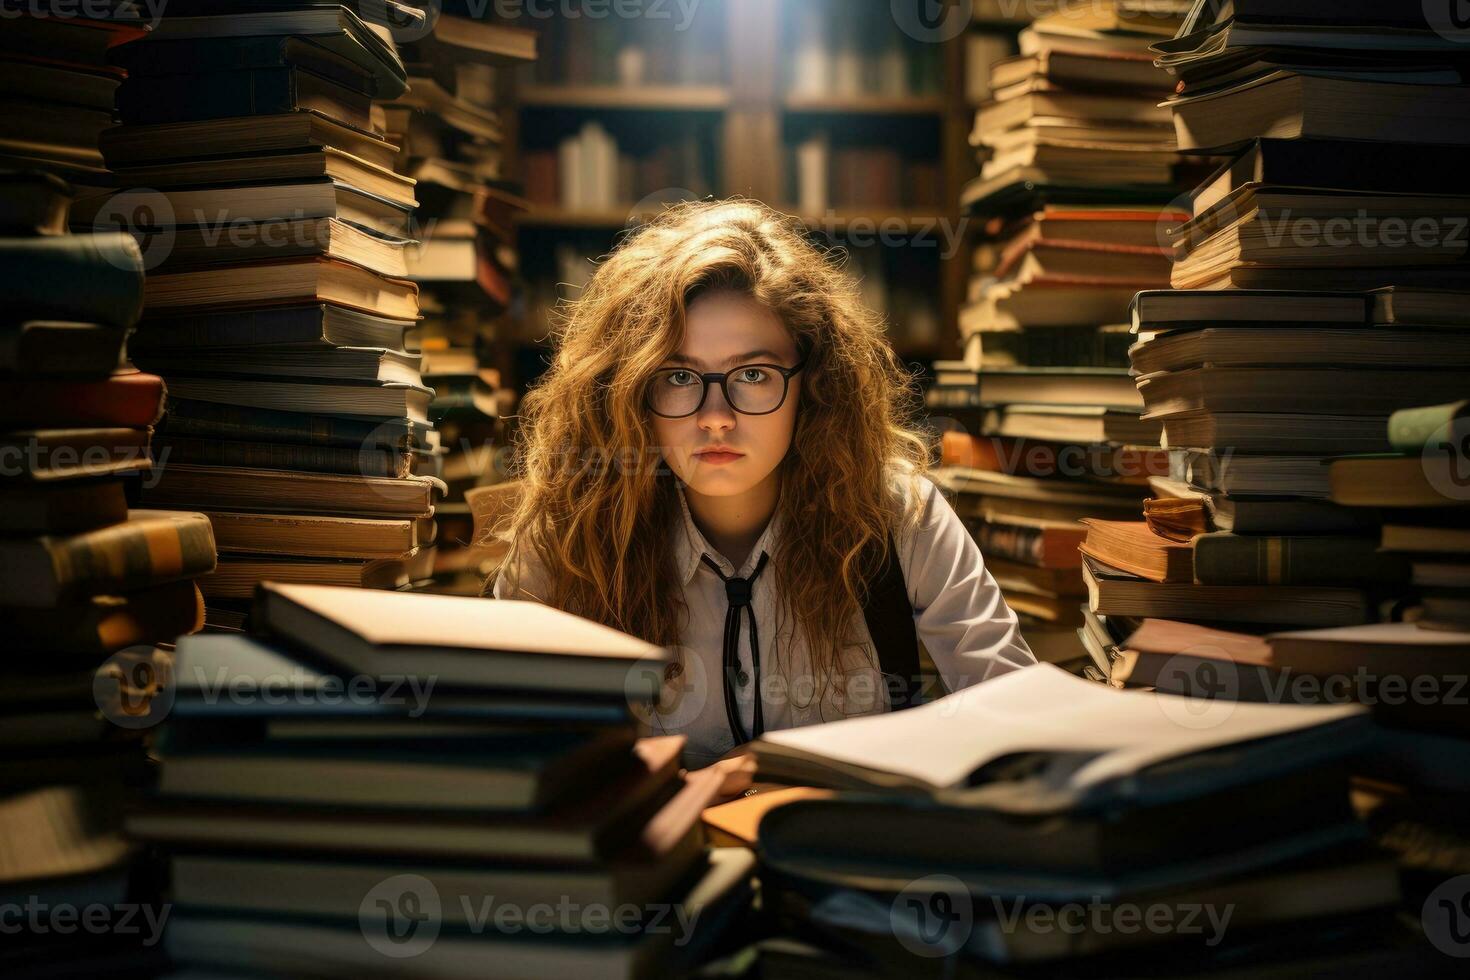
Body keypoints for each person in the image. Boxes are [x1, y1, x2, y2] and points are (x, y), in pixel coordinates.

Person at [490, 200, 1035, 799]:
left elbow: (1020, 726)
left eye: (753, 375)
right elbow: (500, 754)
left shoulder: (899, 516)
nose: (715, 419)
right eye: (677, 377)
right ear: (626, 393)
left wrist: (811, 768)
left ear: (815, 384)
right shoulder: (569, 533)